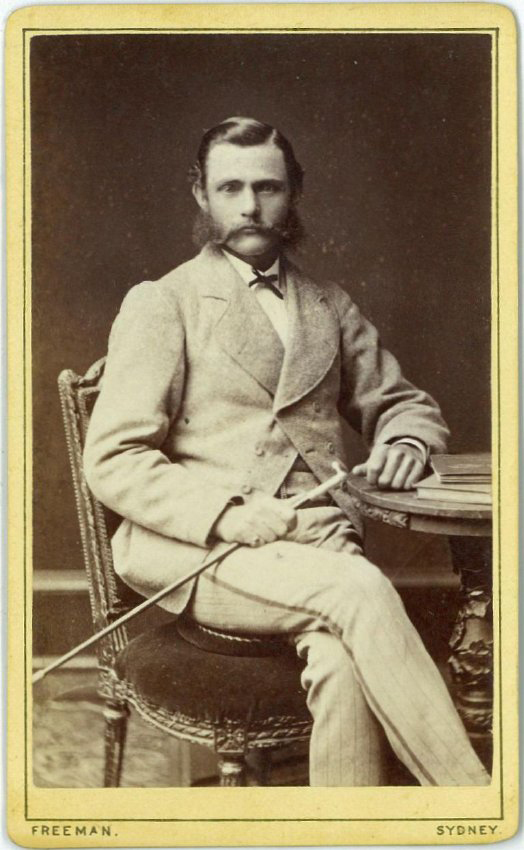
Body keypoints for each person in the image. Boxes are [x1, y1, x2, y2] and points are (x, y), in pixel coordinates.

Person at [84, 116, 490, 787]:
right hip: (202, 549)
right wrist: (225, 514)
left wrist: (405, 440)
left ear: (293, 192)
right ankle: (474, 799)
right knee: (358, 590)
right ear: (200, 195)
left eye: (267, 187)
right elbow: (114, 457)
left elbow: (404, 403)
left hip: (313, 543)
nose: (249, 206)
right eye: (230, 188)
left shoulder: (328, 305)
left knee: (339, 660)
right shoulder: (164, 303)